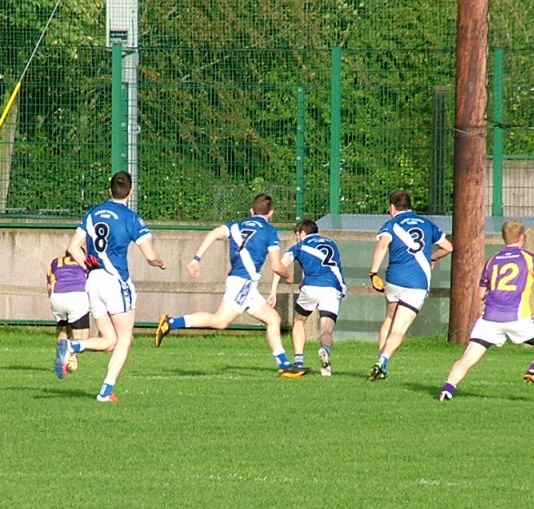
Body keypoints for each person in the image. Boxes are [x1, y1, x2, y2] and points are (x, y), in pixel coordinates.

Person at [153, 193, 305, 377]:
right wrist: (288, 276)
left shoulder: (236, 225)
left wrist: (196, 258)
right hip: (243, 282)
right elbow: (276, 265)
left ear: (251, 211)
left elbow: (213, 234)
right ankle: (171, 322)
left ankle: (284, 365)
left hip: (244, 283)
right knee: (220, 321)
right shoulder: (269, 231)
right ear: (271, 213)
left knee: (273, 319)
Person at [438, 219, 534, 401]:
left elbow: (481, 294)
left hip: (489, 319)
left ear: (504, 237)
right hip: (518, 318)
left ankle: (447, 389)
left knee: (468, 357)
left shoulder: (492, 261)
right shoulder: (530, 258)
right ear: (522, 237)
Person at [57, 171, 166, 403]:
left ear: (109, 191)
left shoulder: (93, 213)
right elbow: (149, 255)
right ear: (131, 192)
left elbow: (73, 247)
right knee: (126, 337)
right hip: (115, 282)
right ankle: (105, 391)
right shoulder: (131, 218)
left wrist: (88, 266)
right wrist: (160, 262)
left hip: (93, 281)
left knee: (110, 341)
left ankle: (72, 346)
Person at [367, 189, 452, 380]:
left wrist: (373, 272)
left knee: (389, 319)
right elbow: (448, 247)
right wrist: (431, 257)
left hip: (394, 279)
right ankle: (383, 361)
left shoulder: (391, 225)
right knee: (399, 328)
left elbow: (381, 246)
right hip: (417, 282)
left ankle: (380, 361)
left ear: (392, 207)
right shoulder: (428, 224)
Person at [268, 218, 345, 376]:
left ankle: (298, 361)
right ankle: (325, 351)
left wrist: (273, 290)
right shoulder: (332, 244)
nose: (297, 238)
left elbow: (280, 265)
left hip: (311, 287)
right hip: (332, 288)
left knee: (298, 321)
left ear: (302, 233)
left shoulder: (300, 246)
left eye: (297, 234)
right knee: (326, 330)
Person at [46, 249, 90, 371]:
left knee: (63, 329)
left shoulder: (55, 262)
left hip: (57, 297)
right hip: (77, 296)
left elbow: (50, 285)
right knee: (82, 338)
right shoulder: (86, 262)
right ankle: (70, 359)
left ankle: (61, 358)